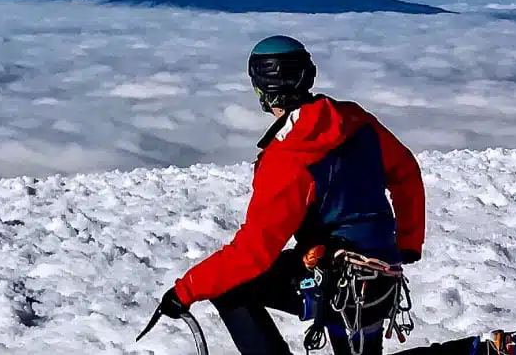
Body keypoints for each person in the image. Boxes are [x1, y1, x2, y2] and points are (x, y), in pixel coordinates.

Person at [154, 35, 426, 355]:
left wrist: (186, 290)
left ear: (261, 89)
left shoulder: (287, 157)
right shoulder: (356, 120)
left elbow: (253, 253)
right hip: (381, 276)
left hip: (333, 283)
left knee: (231, 288)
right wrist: (408, 242)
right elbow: (406, 172)